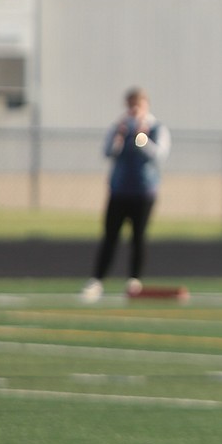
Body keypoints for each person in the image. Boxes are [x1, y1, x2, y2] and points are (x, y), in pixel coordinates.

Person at [81, 87, 171, 303]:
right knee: (110, 235)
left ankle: (134, 280)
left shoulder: (155, 128)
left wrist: (142, 139)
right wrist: (120, 138)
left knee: (138, 236)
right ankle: (97, 280)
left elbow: (159, 155)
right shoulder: (119, 128)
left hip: (143, 191)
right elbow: (108, 152)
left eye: (137, 105)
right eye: (130, 105)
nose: (133, 110)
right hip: (120, 189)